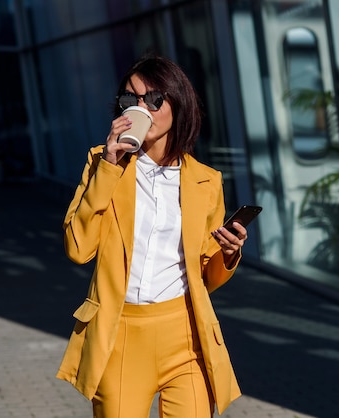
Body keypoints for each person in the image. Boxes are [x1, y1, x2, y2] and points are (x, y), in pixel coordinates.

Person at [56, 54, 246, 417]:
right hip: (121, 334)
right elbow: (78, 249)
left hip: (187, 334)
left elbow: (207, 274)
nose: (141, 108)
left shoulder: (206, 181)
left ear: (179, 105)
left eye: (154, 99)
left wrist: (229, 254)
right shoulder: (101, 164)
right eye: (130, 100)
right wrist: (109, 170)